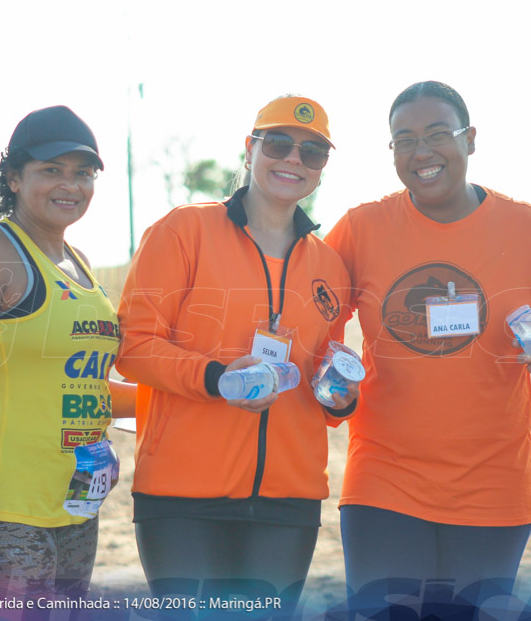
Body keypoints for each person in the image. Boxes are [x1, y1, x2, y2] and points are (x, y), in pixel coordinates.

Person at [323, 81, 531, 612]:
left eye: (436, 134)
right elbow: (310, 320)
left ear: (470, 139)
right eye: (403, 140)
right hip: (385, 479)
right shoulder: (362, 228)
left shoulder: (525, 230)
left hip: (493, 488)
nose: (421, 152)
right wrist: (333, 386)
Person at [116, 95, 358, 617]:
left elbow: (323, 379)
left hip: (288, 501)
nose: (293, 159)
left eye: (312, 152)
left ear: (321, 169)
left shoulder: (331, 268)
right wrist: (217, 377)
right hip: (181, 497)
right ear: (250, 149)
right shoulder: (182, 231)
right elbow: (134, 347)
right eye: (278, 144)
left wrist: (339, 396)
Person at [0, 105, 133, 600]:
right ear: (14, 178)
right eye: (51, 170)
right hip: (3, 511)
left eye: (83, 173)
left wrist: (184, 396)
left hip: (73, 504)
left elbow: (80, 384)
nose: (70, 185)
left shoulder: (76, 262)